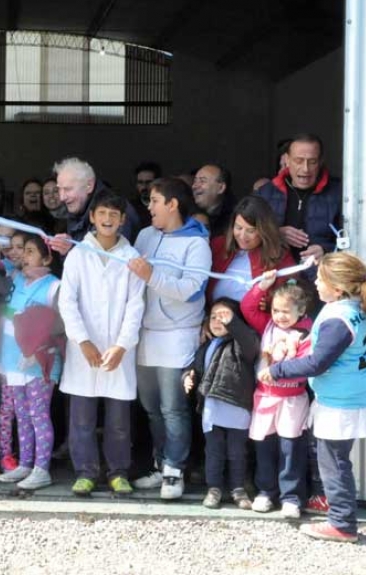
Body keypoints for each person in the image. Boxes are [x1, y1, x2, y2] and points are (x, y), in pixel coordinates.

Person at [259, 253, 366, 543]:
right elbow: (328, 345)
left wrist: (278, 370)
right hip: (353, 396)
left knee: (334, 462)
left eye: (320, 279)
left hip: (340, 402)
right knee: (335, 459)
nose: (315, 282)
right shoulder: (355, 308)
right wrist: (303, 339)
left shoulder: (338, 318)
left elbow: (317, 364)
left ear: (337, 288)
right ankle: (338, 511)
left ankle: (342, 523)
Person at [57, 192, 146, 497]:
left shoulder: (131, 257)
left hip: (118, 350)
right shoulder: (78, 254)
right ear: (92, 217)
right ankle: (85, 472)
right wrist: (82, 341)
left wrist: (122, 346)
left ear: (123, 220)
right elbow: (67, 302)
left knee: (118, 419)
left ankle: (118, 471)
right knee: (81, 417)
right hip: (85, 348)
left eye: (115, 214)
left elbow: (136, 306)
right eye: (102, 213)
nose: (108, 220)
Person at [129, 177, 211, 500]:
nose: (148, 207)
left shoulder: (197, 244)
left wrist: (152, 276)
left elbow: (191, 291)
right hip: (145, 335)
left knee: (173, 407)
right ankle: (160, 465)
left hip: (178, 336)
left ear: (172, 204)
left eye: (154, 201)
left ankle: (175, 472)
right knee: (151, 407)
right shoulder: (144, 236)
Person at [0, 232, 63, 490]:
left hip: (39, 363)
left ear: (47, 257)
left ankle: (42, 469)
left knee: (39, 415)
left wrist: (37, 348)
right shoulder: (17, 279)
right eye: (24, 251)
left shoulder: (54, 286)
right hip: (12, 360)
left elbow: (60, 325)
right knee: (22, 414)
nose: (24, 256)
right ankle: (26, 464)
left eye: (30, 251)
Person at [241, 270, 313, 518]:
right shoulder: (267, 326)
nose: (280, 316)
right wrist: (263, 286)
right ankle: (265, 492)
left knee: (290, 448)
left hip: (293, 399)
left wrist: (278, 372)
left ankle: (291, 497)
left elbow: (305, 366)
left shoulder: (307, 333)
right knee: (264, 447)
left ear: (301, 311)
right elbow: (248, 307)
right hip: (264, 397)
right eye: (275, 310)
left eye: (286, 311)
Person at [184, 298, 258, 511]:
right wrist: (187, 378)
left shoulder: (241, 342)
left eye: (225, 316)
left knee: (237, 452)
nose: (218, 321)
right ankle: (214, 488)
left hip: (237, 406)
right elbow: (195, 369)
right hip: (211, 409)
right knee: (214, 451)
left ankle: (238, 488)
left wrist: (234, 323)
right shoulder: (207, 345)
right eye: (214, 316)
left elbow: (249, 344)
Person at [256, 134, 342, 265]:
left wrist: (327, 251)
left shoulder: (340, 195)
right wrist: (275, 234)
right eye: (299, 161)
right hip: (274, 277)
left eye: (312, 162)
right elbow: (242, 234)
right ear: (287, 160)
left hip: (321, 279)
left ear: (320, 162)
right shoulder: (265, 194)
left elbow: (357, 239)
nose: (305, 169)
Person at [209, 196, 296, 303]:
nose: (242, 236)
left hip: (251, 318)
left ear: (264, 230)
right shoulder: (218, 245)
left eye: (250, 231)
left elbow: (290, 291)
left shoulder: (278, 253)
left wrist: (268, 302)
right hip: (213, 315)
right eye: (238, 228)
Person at [52, 157, 140, 249]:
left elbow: (108, 259)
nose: (62, 197)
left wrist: (71, 249)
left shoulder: (115, 210)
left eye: (68, 189)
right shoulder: (77, 207)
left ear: (89, 186)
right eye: (59, 189)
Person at [192, 164, 236, 239]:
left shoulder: (235, 218)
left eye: (202, 181)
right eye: (195, 181)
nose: (195, 186)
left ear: (221, 188)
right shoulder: (187, 212)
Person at [130, 162, 161, 231]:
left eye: (148, 182)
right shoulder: (130, 208)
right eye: (140, 182)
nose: (144, 187)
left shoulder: (165, 207)